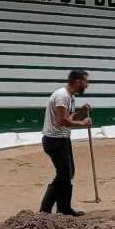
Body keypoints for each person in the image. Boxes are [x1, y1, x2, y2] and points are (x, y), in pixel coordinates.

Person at [39, 70, 92, 217]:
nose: (87, 85)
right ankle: (45, 209)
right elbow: (61, 121)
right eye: (85, 81)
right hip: (54, 140)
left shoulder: (69, 96)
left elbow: (69, 118)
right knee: (63, 175)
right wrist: (82, 123)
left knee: (68, 173)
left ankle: (63, 207)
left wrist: (82, 112)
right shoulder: (62, 96)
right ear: (77, 82)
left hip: (61, 138)